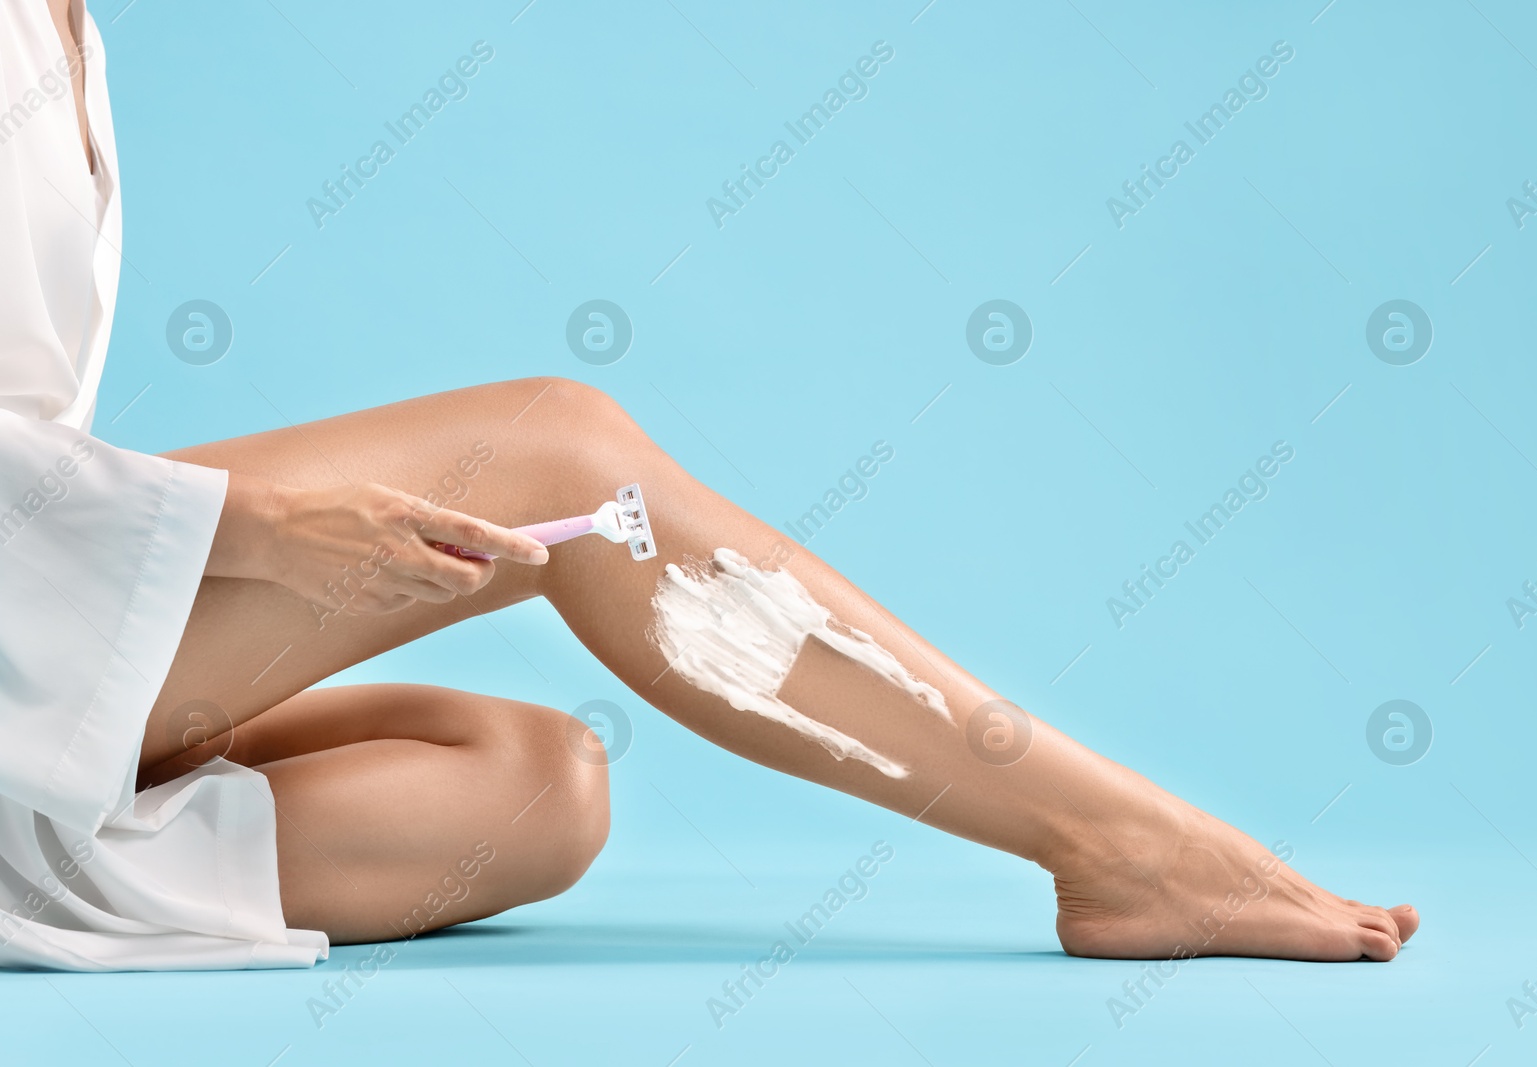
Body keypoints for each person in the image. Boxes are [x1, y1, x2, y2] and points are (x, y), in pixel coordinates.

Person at [0, 0, 1417, 971]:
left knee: (544, 787)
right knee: (559, 445)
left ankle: (61, 790)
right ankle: (1121, 846)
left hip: (43, 593)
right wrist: (256, 529)